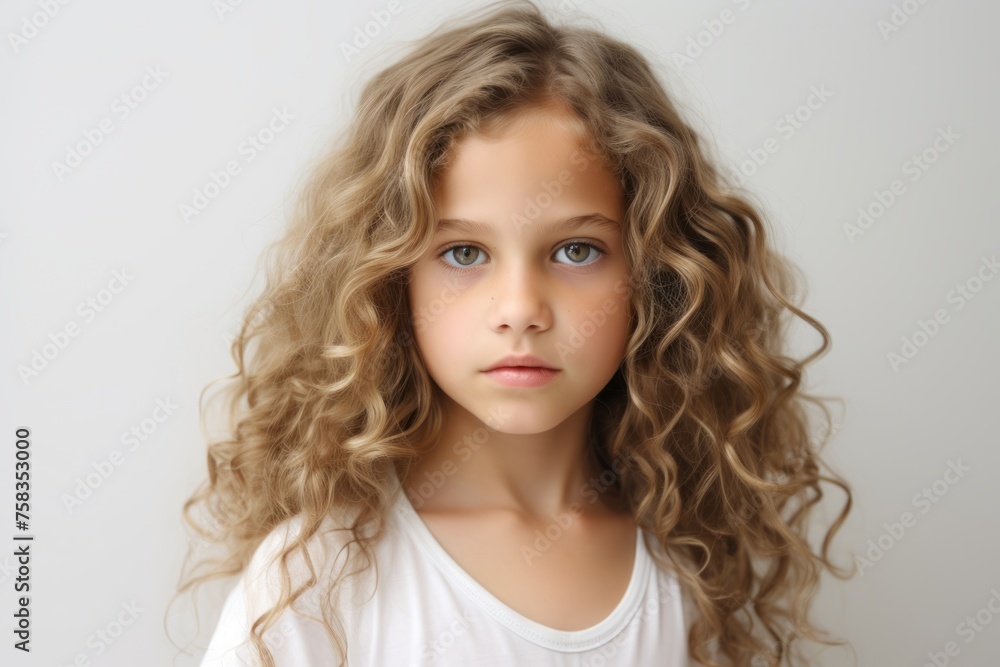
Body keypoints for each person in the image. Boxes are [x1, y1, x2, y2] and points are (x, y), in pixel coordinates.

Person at [172, 1, 854, 665]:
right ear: (388, 282)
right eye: (464, 253)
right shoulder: (319, 576)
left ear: (655, 276)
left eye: (577, 250)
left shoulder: (688, 561)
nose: (520, 308)